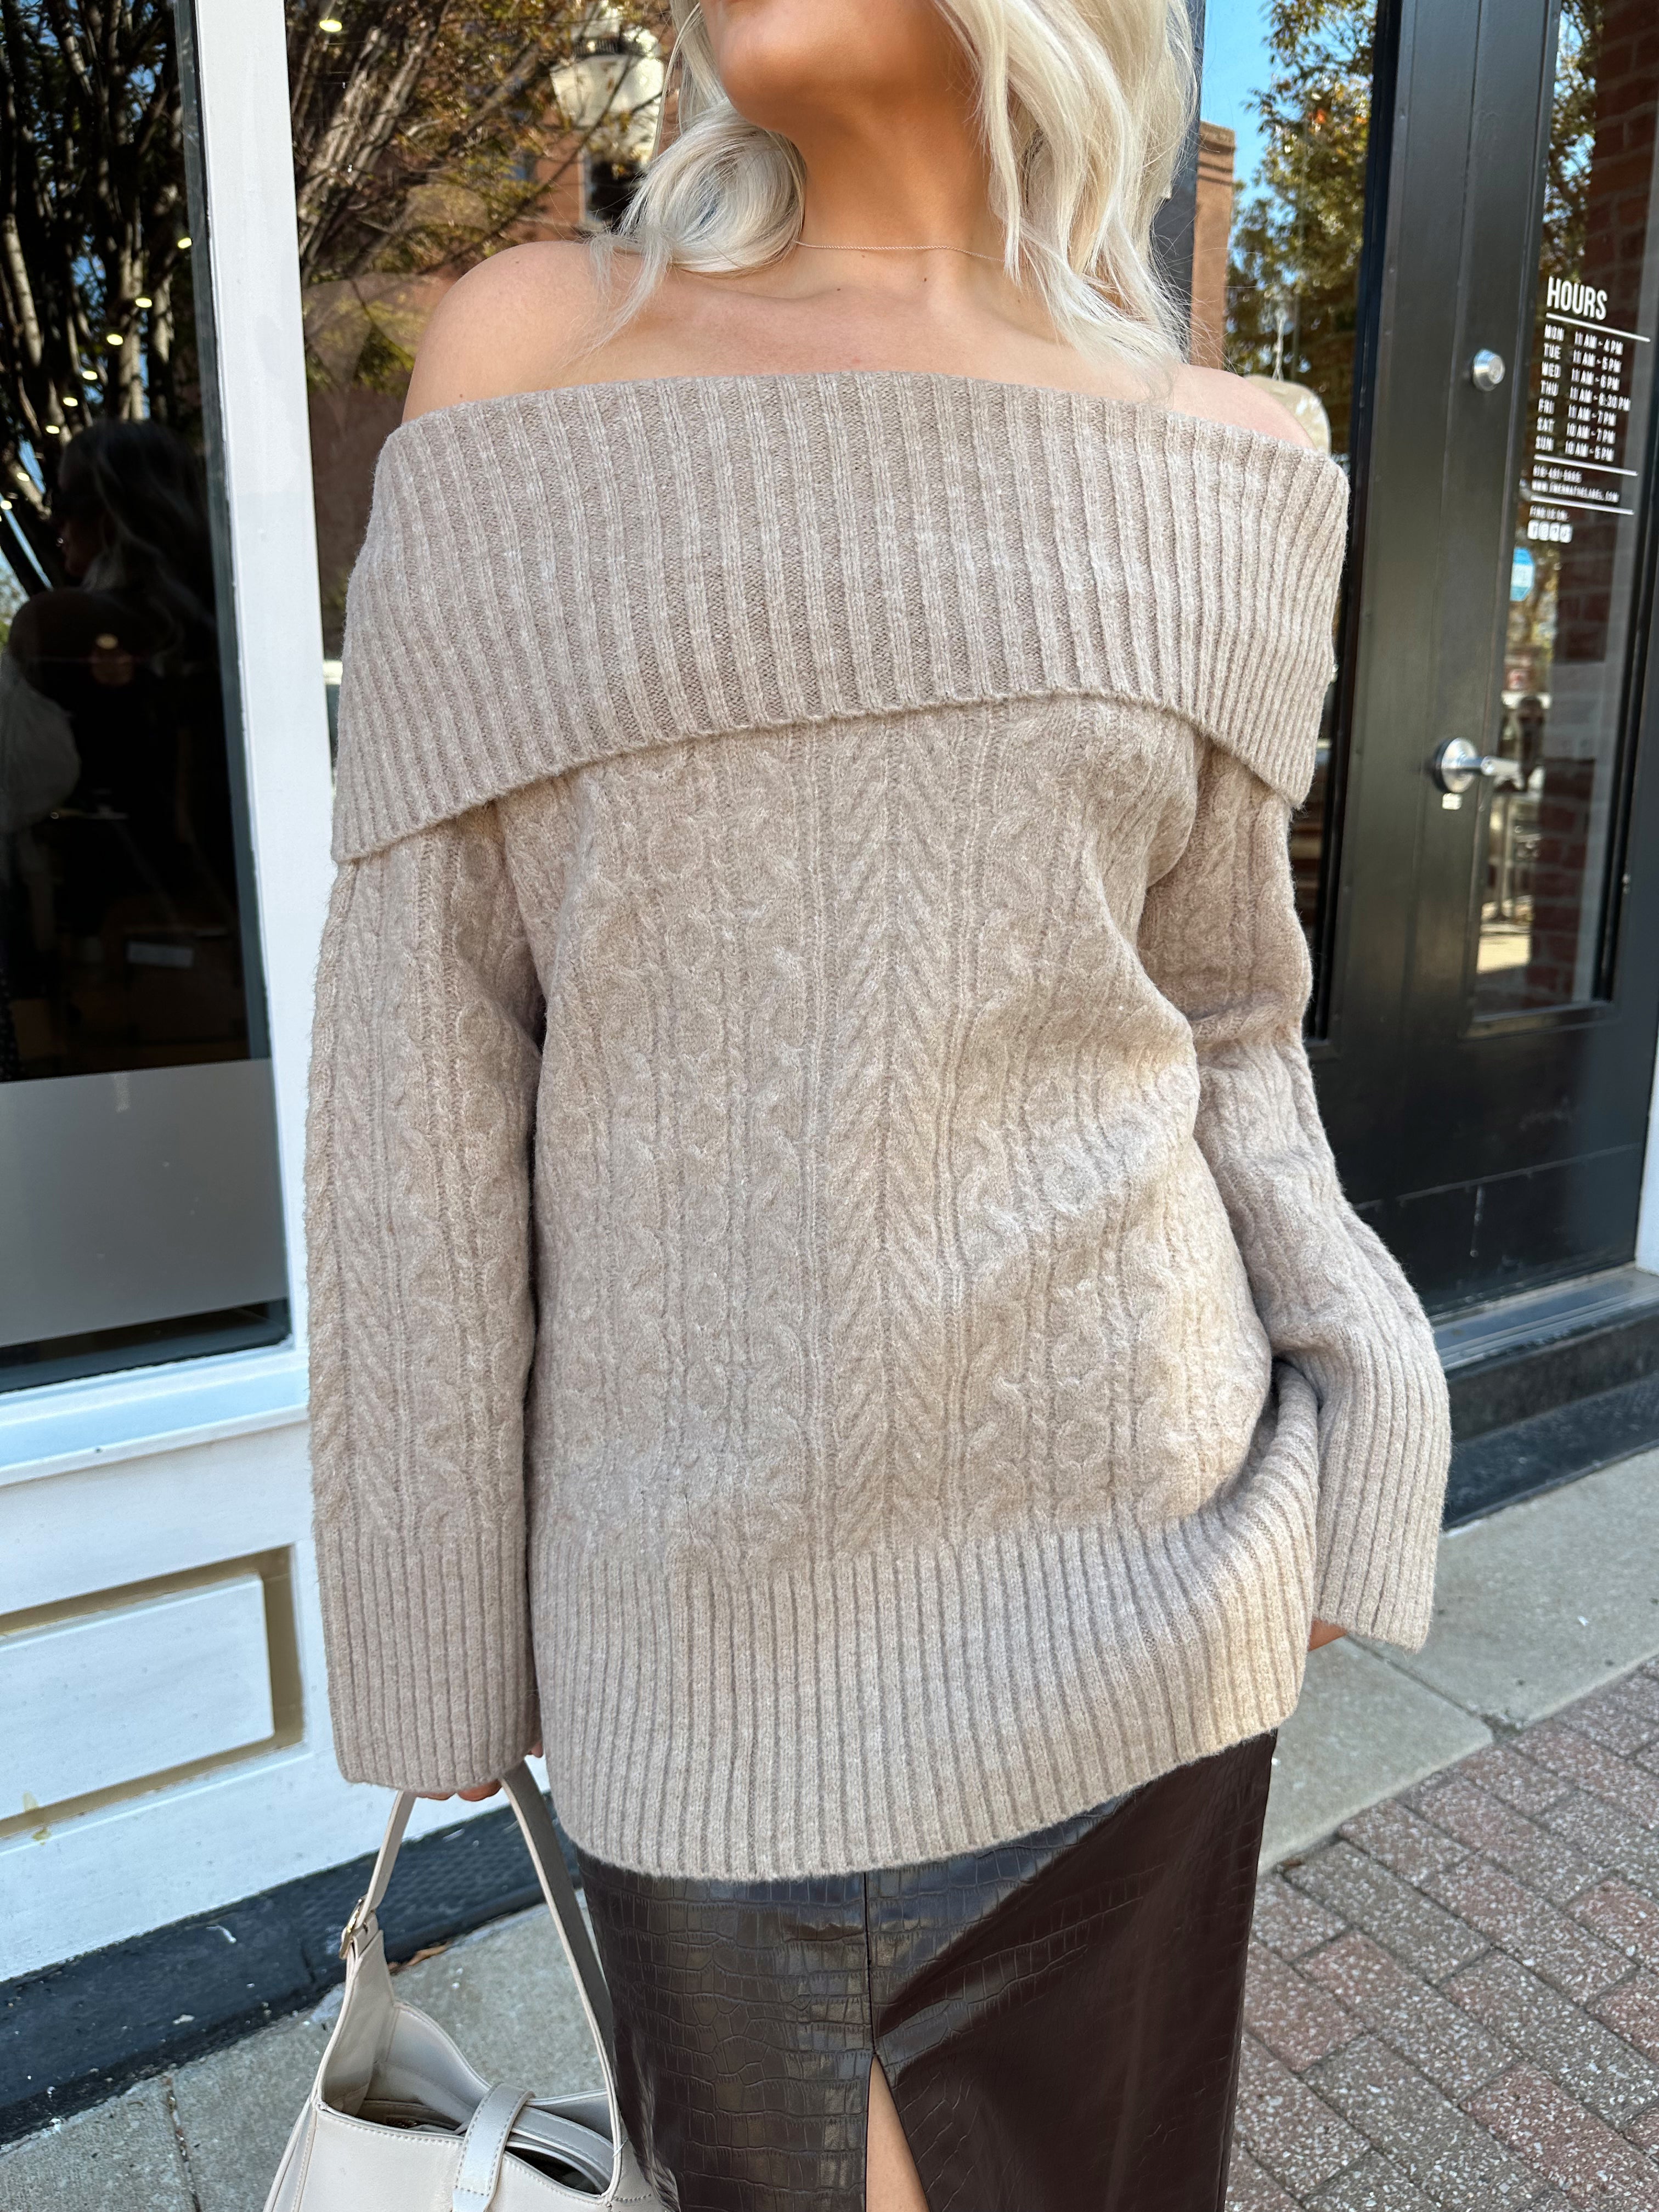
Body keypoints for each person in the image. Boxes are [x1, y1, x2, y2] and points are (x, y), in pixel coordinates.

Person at [306, 3, 1451, 2207]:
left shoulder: (1223, 444)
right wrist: (437, 1639)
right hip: (708, 1672)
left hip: (1152, 1626)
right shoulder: (530, 351)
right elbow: (419, 1049)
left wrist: (1364, 1396)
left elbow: (1228, 1018)